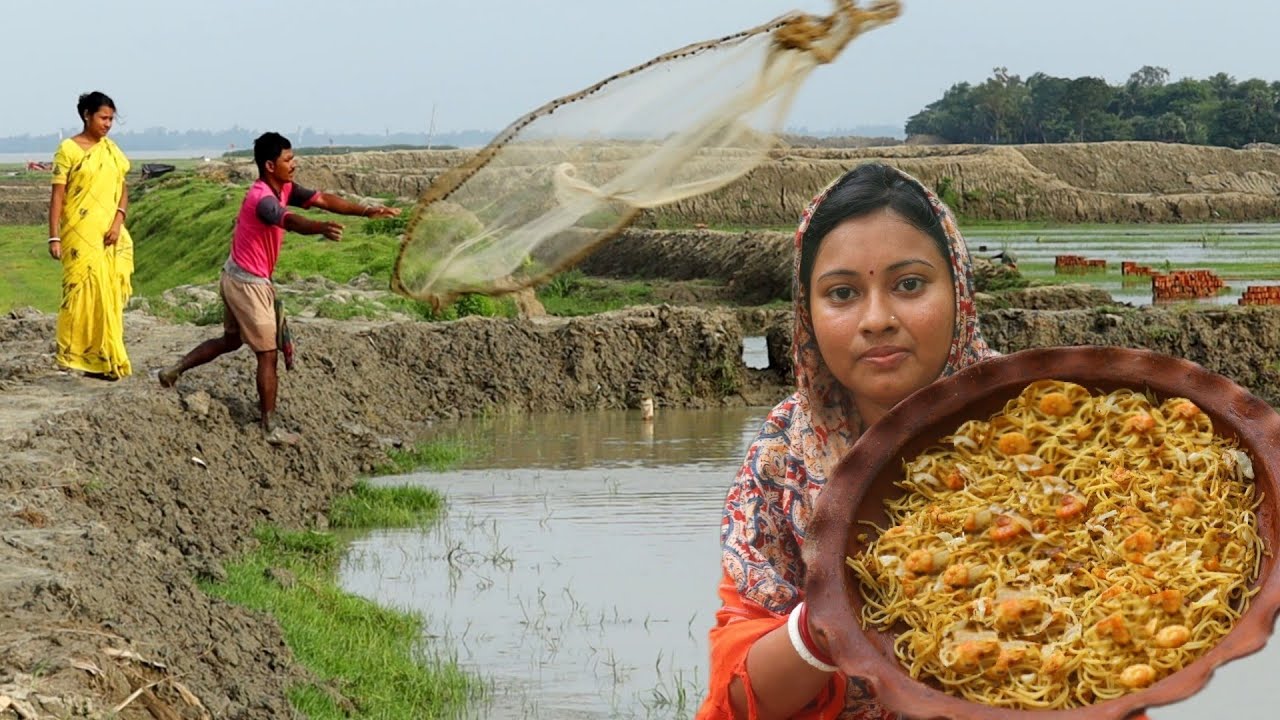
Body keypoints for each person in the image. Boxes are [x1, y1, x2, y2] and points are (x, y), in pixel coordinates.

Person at [158, 131, 399, 444]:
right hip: (247, 282)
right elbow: (289, 220)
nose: (294, 164)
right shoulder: (262, 199)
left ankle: (174, 370)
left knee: (231, 341)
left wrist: (366, 210)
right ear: (270, 165)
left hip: (237, 275)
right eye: (288, 160)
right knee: (267, 354)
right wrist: (319, 229)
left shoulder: (285, 188)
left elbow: (324, 200)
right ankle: (269, 426)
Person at [48, 91, 134, 380]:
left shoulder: (111, 151)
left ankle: (104, 358)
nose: (108, 124)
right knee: (78, 293)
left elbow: (122, 189)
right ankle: (75, 356)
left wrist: (118, 221)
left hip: (108, 234)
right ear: (87, 115)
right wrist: (54, 236)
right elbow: (57, 196)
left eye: (111, 119)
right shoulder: (68, 149)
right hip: (79, 233)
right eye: (103, 117)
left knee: (106, 295)